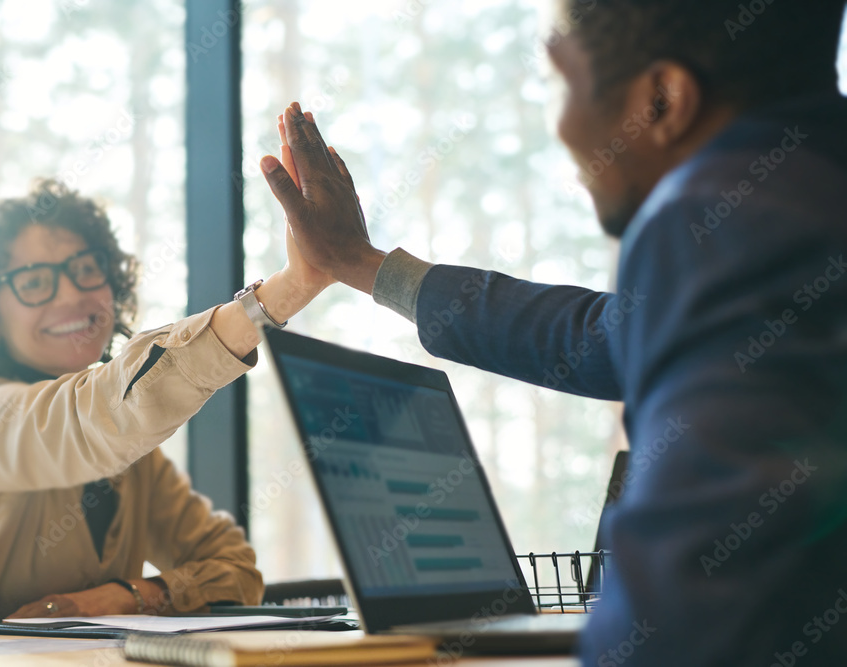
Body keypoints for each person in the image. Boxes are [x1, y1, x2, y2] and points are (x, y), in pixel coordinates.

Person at [259, 1, 847, 664]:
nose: (561, 126)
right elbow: (593, 335)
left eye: (561, 81)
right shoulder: (808, 192)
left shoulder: (723, 218)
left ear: (663, 99)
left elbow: (687, 622)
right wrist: (360, 263)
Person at [0, 179, 331, 624]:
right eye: (35, 281)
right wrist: (285, 290)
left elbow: (236, 570)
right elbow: (100, 418)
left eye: (86, 268)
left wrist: (128, 596)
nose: (72, 294)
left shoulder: (139, 465)